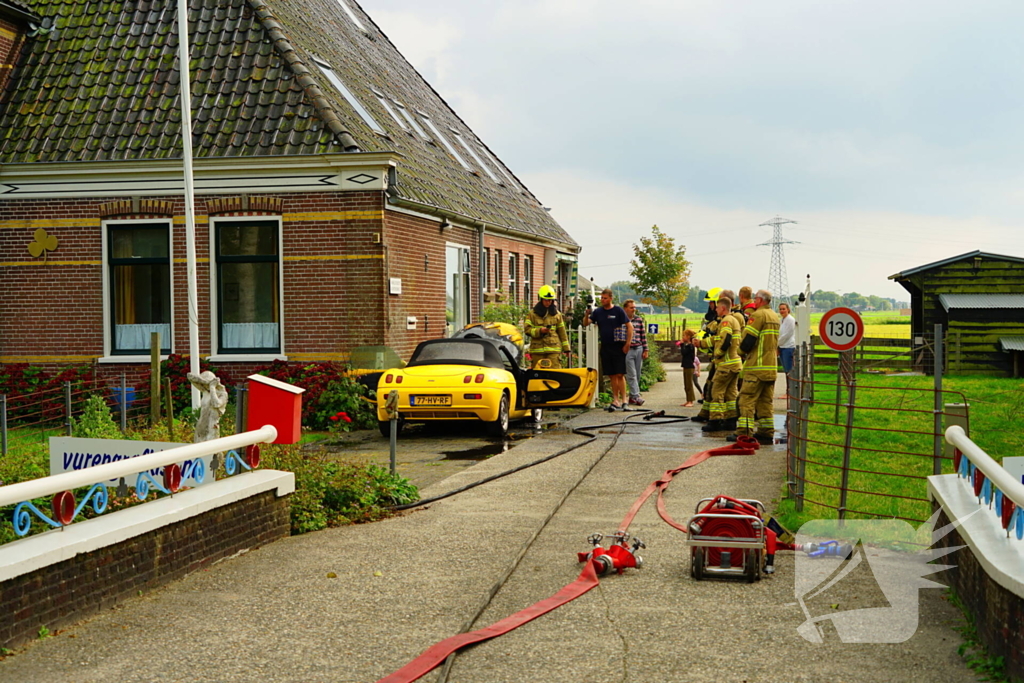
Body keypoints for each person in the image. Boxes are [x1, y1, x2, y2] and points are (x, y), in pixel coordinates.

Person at [733, 290, 781, 444]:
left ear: (760, 300)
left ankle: (744, 433)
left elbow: (748, 340)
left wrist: (739, 351)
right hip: (771, 368)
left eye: (756, 299)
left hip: (756, 367)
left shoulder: (758, 315)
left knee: (746, 400)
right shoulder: (775, 316)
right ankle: (766, 433)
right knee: (765, 402)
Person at [583, 288, 631, 410]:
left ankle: (624, 399)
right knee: (611, 375)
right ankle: (615, 400)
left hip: (618, 345)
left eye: (605, 298)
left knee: (620, 373)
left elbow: (629, 326)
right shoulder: (598, 312)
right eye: (601, 298)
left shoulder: (618, 310)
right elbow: (586, 323)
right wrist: (587, 314)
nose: (602, 300)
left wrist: (627, 343)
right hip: (605, 346)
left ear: (610, 298)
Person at [704, 294, 742, 433]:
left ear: (723, 308)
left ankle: (715, 421)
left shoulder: (726, 321)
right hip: (735, 363)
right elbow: (718, 338)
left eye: (718, 308)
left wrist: (718, 354)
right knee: (731, 393)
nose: (716, 310)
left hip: (726, 364)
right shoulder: (734, 319)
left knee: (717, 391)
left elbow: (726, 339)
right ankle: (731, 421)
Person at [525, 285, 570, 369]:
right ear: (541, 299)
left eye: (550, 300)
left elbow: (562, 332)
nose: (548, 302)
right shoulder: (532, 314)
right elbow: (527, 330)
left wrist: (567, 349)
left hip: (553, 350)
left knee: (555, 375)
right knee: (538, 375)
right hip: (537, 351)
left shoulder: (557, 314)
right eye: (546, 300)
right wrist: (540, 331)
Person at [622, 299, 649, 406]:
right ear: (625, 309)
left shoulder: (639, 319)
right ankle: (637, 396)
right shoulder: (621, 320)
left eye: (634, 307)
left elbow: (643, 335)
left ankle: (632, 397)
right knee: (631, 374)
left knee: (637, 374)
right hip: (628, 350)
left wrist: (646, 349)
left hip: (639, 348)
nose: (634, 309)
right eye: (631, 307)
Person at [777, 302, 796, 399]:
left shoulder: (790, 320)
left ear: (788, 309)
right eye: (780, 309)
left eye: (784, 309)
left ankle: (790, 392)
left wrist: (777, 343)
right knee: (785, 370)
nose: (782, 311)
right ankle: (788, 391)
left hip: (788, 347)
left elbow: (787, 335)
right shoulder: (782, 320)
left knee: (789, 370)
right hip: (782, 347)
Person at [678, 329, 700, 407]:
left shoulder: (690, 346)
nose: (683, 337)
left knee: (689, 384)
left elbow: (684, 353)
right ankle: (688, 400)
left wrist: (681, 344)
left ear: (688, 336)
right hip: (686, 366)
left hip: (689, 366)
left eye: (684, 335)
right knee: (686, 384)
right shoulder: (687, 345)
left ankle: (691, 401)